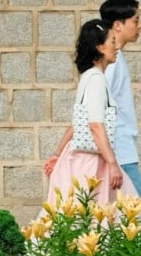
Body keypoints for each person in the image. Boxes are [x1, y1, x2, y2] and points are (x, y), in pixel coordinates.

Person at [42, 19, 125, 205]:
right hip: (91, 163)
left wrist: (57, 153)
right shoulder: (97, 79)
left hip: (77, 158)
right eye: (112, 41)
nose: (117, 46)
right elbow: (95, 125)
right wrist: (112, 164)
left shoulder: (87, 77)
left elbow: (77, 124)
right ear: (100, 47)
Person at [99, 0, 141, 201]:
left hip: (121, 149)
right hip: (119, 150)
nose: (140, 26)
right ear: (118, 25)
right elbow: (99, 108)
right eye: (136, 21)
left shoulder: (117, 59)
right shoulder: (112, 62)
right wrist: (112, 159)